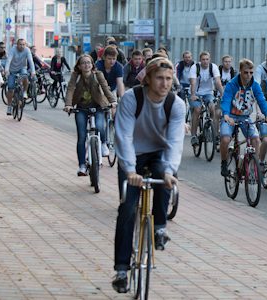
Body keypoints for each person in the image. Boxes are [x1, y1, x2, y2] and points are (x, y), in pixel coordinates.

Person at [111, 57, 185, 293]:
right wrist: (130, 170)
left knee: (165, 178)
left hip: (158, 154)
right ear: (149, 79)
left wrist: (170, 171)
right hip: (132, 154)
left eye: (168, 79)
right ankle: (122, 269)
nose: (165, 84)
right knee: (127, 208)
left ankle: (159, 227)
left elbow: (175, 141)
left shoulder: (176, 104)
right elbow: (123, 136)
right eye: (160, 78)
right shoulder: (132, 98)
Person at [64, 54, 117, 174]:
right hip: (81, 108)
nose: (86, 65)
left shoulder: (98, 75)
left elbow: (105, 88)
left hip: (97, 106)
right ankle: (82, 165)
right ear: (79, 66)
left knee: (99, 126)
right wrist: (68, 104)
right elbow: (70, 89)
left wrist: (112, 101)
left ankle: (103, 143)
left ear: (92, 64)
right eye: (83, 63)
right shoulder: (76, 76)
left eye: (89, 62)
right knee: (82, 137)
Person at [219, 59, 267, 176]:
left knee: (256, 139)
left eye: (251, 72)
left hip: (245, 117)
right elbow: (226, 99)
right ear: (240, 72)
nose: (248, 75)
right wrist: (226, 115)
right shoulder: (232, 84)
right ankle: (224, 162)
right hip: (231, 116)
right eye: (246, 72)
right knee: (225, 139)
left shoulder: (255, 85)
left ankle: (254, 166)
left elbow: (261, 100)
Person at [189, 51, 224, 146]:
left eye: (207, 59)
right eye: (203, 59)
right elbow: (193, 82)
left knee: (213, 108)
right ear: (200, 60)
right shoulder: (195, 67)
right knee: (197, 109)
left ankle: (210, 128)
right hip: (195, 93)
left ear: (210, 59)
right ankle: (193, 135)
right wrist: (192, 94)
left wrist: (223, 94)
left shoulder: (213, 67)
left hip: (208, 93)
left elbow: (217, 82)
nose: (205, 61)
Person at [3, 38, 36, 115]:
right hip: (12, 70)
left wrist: (33, 71)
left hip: (22, 68)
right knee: (10, 88)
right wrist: (6, 70)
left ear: (25, 45)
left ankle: (24, 92)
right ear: (17, 45)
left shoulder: (27, 50)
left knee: (25, 77)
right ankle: (9, 107)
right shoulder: (13, 50)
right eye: (20, 44)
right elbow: (9, 60)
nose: (22, 46)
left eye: (23, 44)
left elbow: (30, 61)